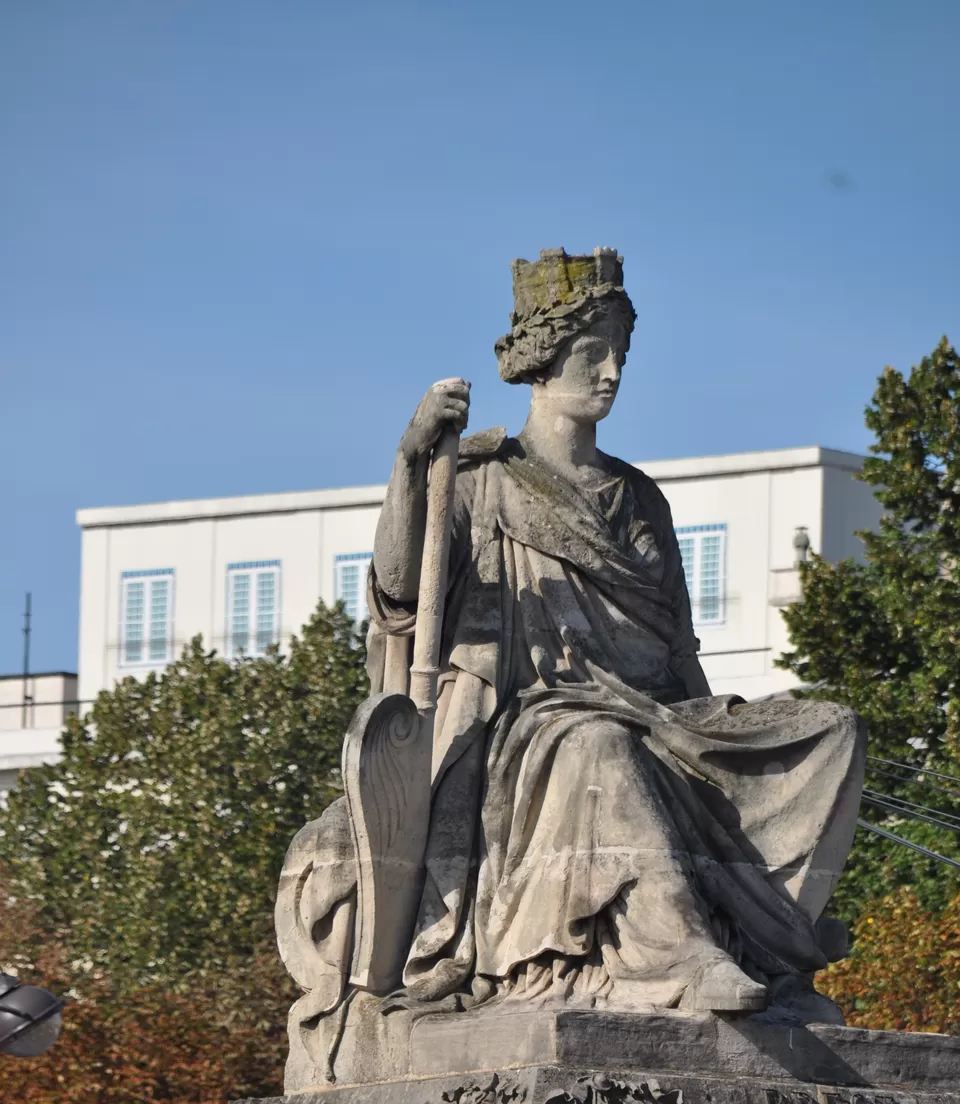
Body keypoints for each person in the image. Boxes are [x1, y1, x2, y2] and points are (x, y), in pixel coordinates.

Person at [278, 248, 864, 1050]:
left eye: (623, 351)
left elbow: (676, 650)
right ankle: (674, 955)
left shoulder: (642, 500)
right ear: (541, 363)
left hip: (655, 713)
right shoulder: (481, 477)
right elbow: (399, 593)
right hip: (531, 727)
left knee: (831, 729)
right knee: (600, 744)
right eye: (595, 352)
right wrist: (413, 460)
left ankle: (772, 948)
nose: (614, 371)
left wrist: (720, 731)